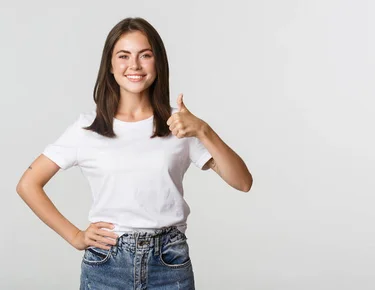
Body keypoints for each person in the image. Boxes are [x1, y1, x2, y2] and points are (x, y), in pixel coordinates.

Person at [15, 17, 253, 289]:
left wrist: (203, 130)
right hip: (107, 263)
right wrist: (75, 236)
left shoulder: (179, 124)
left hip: (169, 261)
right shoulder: (87, 128)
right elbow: (28, 184)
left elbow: (243, 182)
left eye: (145, 55)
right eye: (124, 56)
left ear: (158, 62)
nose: (135, 66)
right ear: (111, 66)